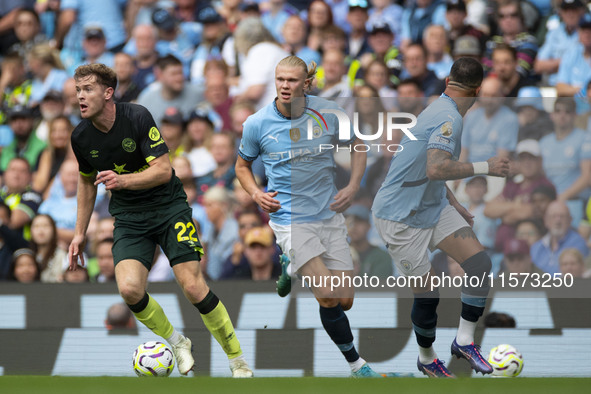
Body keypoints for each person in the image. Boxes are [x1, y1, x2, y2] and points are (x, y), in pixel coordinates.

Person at [67, 63, 252, 377]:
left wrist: (122, 181)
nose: (80, 97)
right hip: (129, 217)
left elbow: (163, 170)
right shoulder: (81, 136)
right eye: (77, 90)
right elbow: (87, 182)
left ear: (108, 92)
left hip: (168, 208)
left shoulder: (137, 117)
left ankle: (237, 361)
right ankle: (177, 342)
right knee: (129, 289)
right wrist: (79, 232)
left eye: (87, 89)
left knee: (193, 287)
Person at [236, 55, 385, 377]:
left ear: (306, 83)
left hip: (328, 216)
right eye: (280, 80)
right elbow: (241, 166)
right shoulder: (257, 123)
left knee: (344, 300)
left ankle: (291, 266)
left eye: (291, 81)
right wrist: (255, 193)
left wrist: (354, 185)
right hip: (289, 219)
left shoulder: (330, 112)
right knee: (329, 295)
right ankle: (357, 366)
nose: (285, 86)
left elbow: (358, 145)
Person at [372, 57, 510, 377]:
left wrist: (454, 202)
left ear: (448, 82)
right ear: (476, 91)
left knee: (479, 264)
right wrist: (485, 167)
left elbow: (426, 167)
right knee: (428, 292)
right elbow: (435, 167)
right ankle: (426, 358)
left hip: (433, 207)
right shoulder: (449, 117)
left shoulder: (438, 107)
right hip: (399, 218)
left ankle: (464, 341)